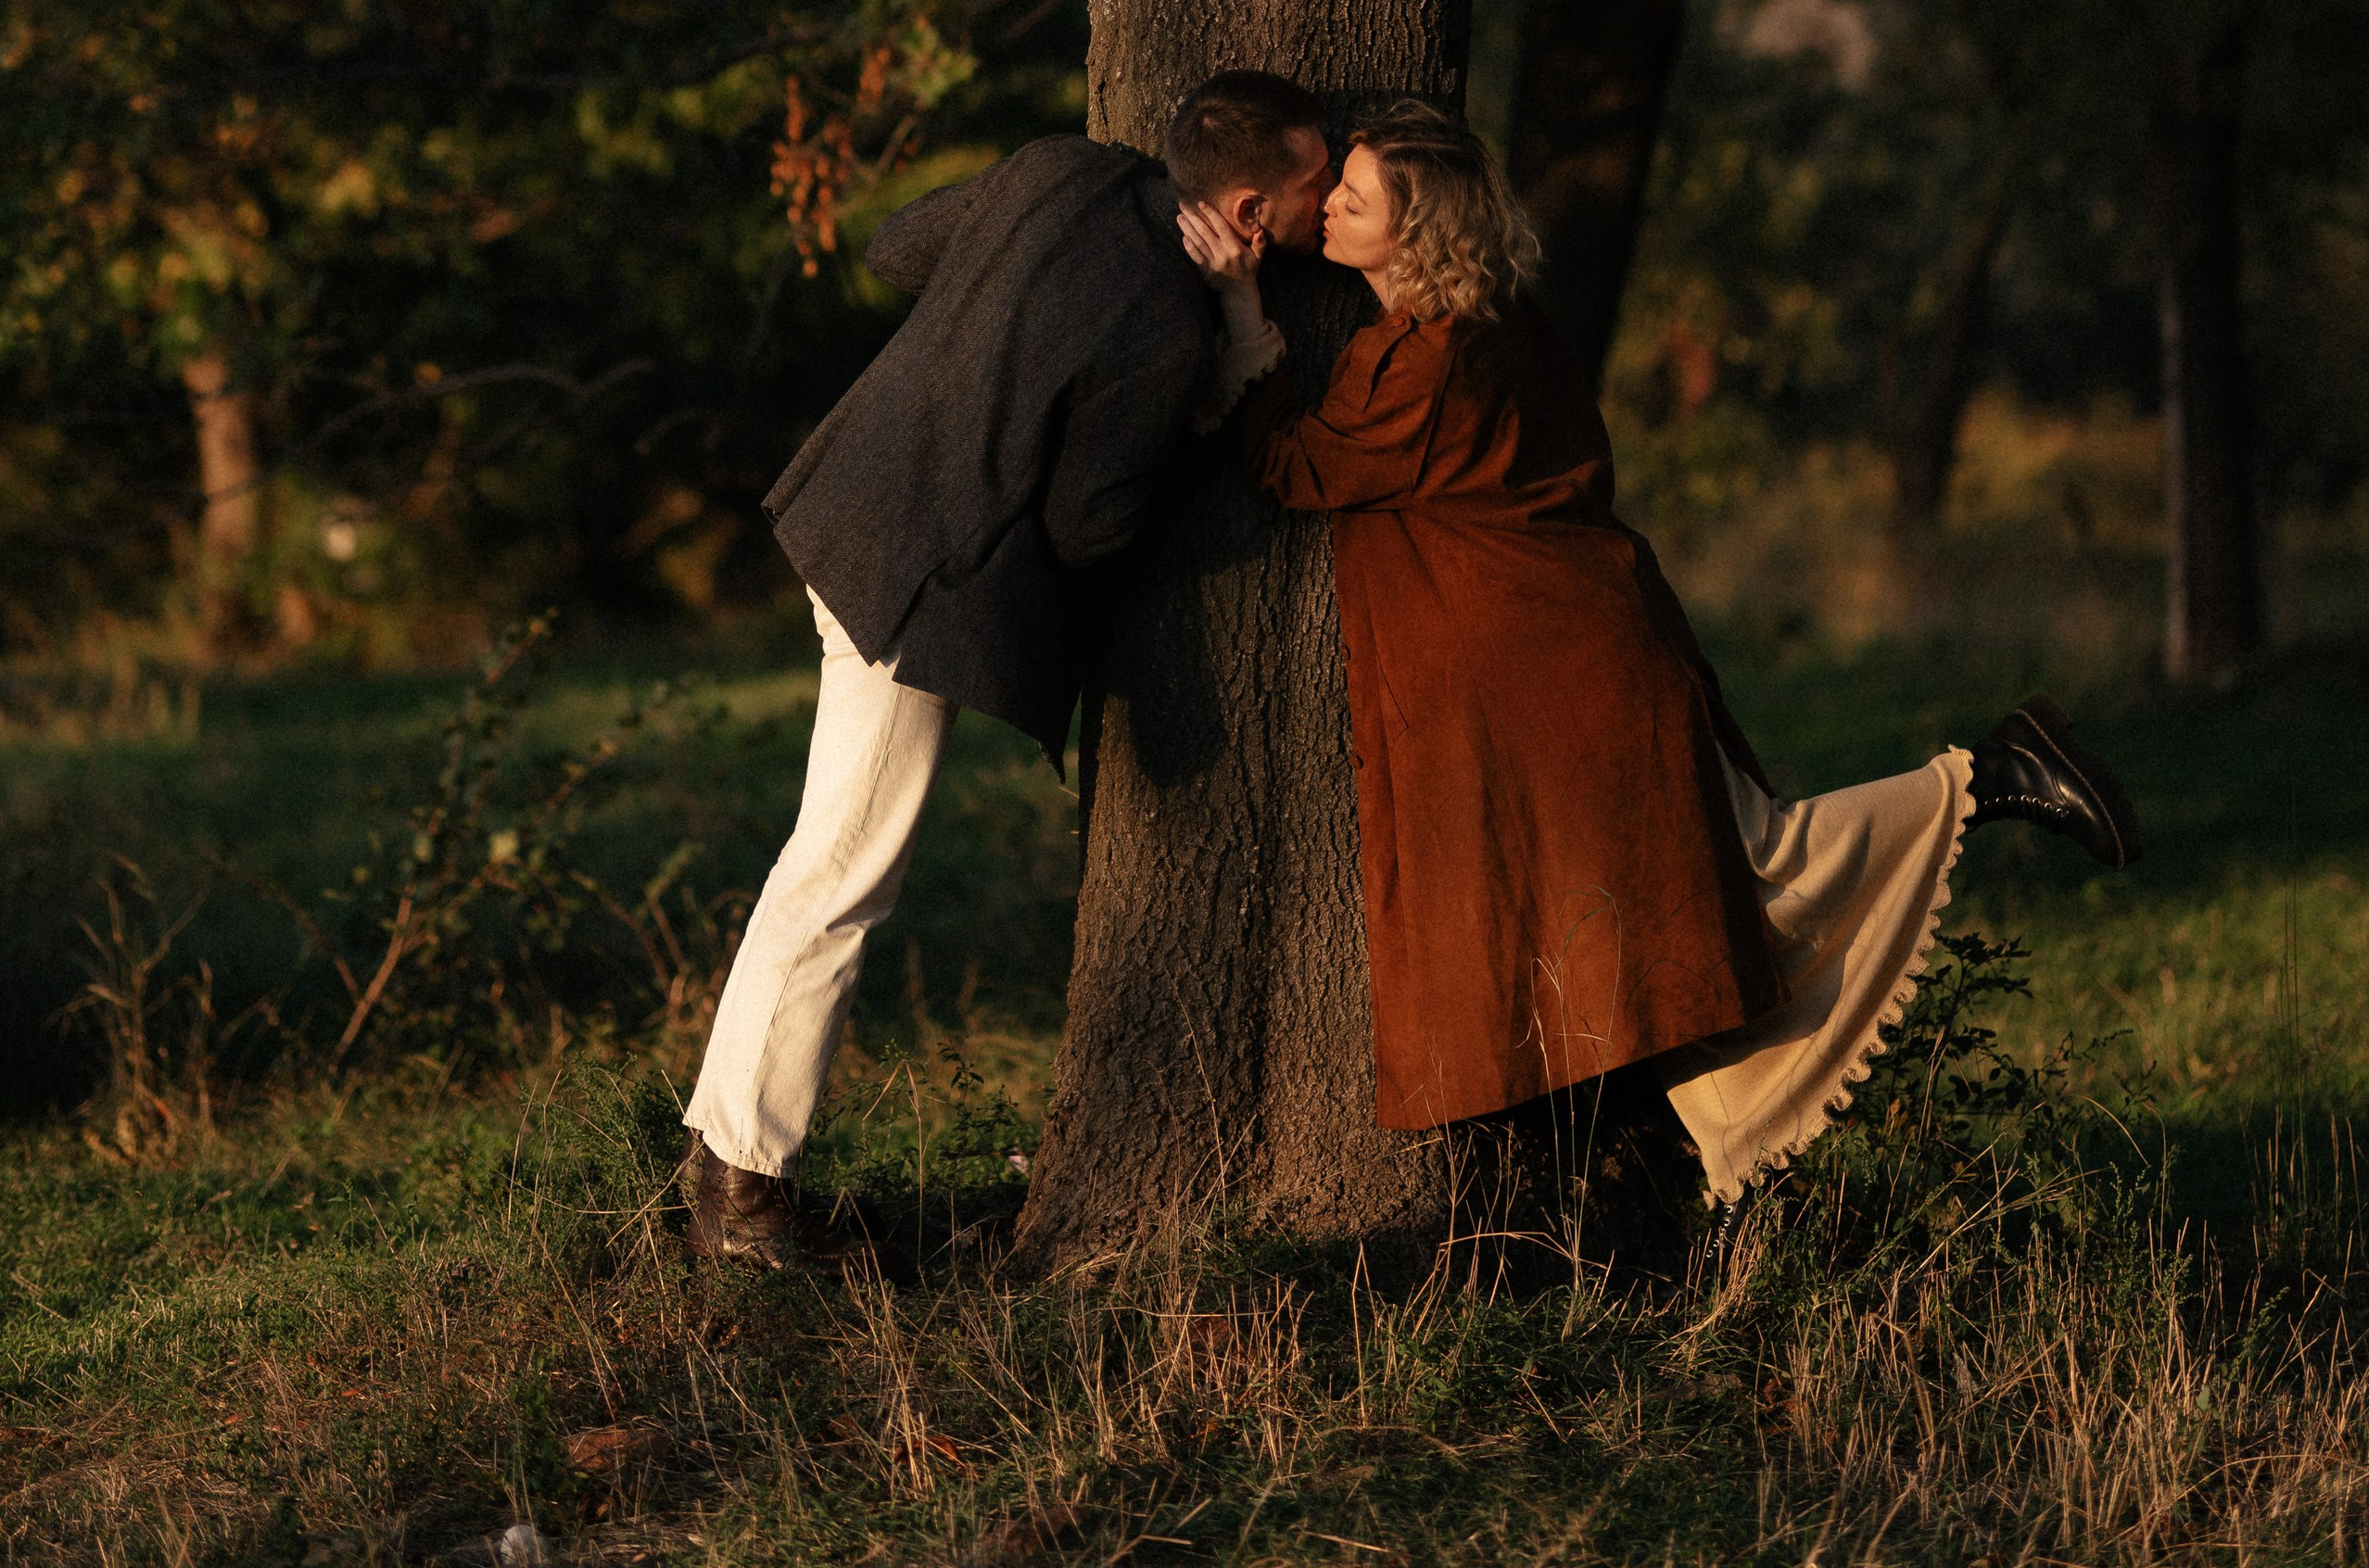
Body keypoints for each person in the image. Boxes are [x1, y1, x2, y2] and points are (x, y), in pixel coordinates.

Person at [1182, 101, 2142, 1215]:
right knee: (1641, 927)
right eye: (1337, 188)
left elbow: (1297, 469)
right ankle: (1670, 1187)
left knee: (1734, 881)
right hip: (1573, 657)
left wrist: (1239, 304)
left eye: (1357, 199)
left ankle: (1990, 775)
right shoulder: (1476, 322)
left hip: (1574, 677)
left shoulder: (1429, 358)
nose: (1335, 210)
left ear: (1416, 233)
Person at [678, 68, 1333, 1264]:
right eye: (1311, 189)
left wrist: (995, 334)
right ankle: (740, 1193)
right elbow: (1095, 525)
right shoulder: (1173, 325)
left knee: (831, 859)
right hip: (916, 583)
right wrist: (1230, 364)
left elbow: (893, 248)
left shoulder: (1059, 168)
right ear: (1246, 217)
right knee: (842, 872)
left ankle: (727, 1157)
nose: (1325, 207)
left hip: (850, 506)